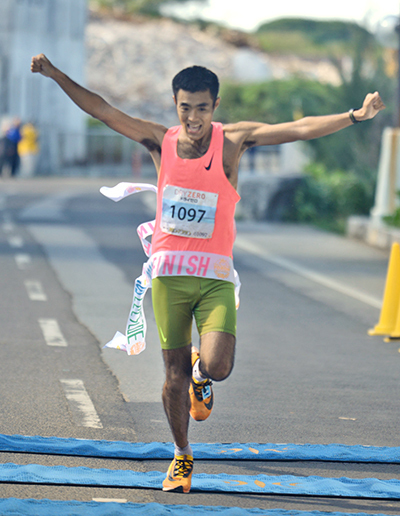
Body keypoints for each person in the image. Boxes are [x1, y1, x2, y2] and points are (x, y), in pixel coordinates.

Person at [31, 53, 385, 494]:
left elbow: (297, 128)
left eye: (201, 107)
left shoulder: (233, 141)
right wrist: (55, 74)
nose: (193, 117)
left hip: (215, 278)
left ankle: (204, 375)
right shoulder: (159, 141)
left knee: (218, 365)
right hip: (169, 278)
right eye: (185, 107)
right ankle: (181, 456)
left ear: (214, 106)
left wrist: (354, 115)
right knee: (171, 375)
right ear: (174, 105)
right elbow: (102, 110)